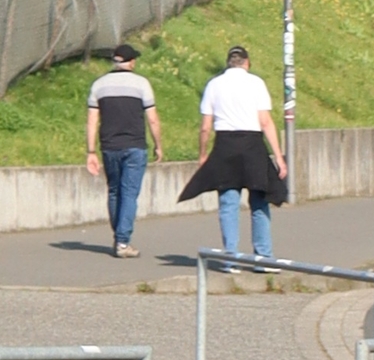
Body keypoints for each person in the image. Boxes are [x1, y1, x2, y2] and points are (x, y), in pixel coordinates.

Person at [178, 44, 286, 259]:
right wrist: (279, 157)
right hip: (252, 145)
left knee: (228, 203)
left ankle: (231, 259)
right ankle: (263, 257)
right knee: (260, 201)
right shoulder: (256, 83)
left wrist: (203, 154)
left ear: (228, 63)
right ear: (247, 63)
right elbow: (265, 122)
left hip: (225, 145)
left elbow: (205, 127)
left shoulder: (214, 84)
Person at [83, 43, 163, 259]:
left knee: (114, 190)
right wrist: (158, 144)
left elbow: (92, 120)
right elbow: (153, 119)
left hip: (109, 146)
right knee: (129, 193)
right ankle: (123, 241)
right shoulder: (142, 84)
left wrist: (91, 151)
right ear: (132, 62)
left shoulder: (99, 85)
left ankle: (119, 236)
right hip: (135, 146)